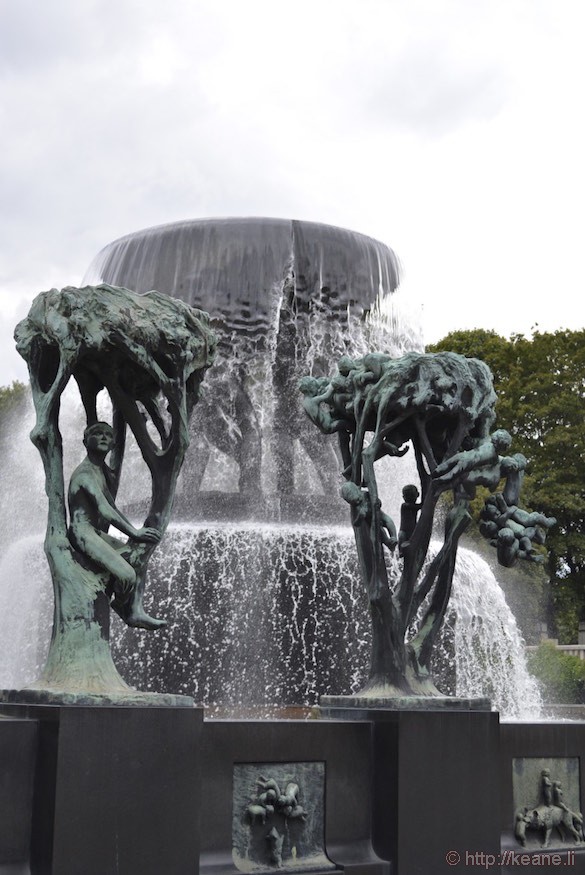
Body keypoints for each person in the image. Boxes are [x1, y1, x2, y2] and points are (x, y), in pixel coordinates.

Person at [68, 422, 164, 628]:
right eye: (97, 433)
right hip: (81, 532)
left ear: (112, 444)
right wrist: (135, 533)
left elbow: (113, 508)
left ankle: (134, 610)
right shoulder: (85, 474)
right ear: (85, 441)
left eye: (108, 435)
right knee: (127, 574)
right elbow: (105, 509)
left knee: (138, 559)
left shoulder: (101, 471)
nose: (103, 437)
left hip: (95, 533)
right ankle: (120, 604)